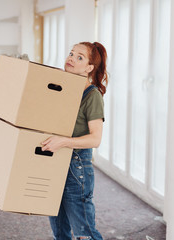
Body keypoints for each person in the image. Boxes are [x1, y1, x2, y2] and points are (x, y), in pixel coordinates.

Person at [41, 41, 108, 240]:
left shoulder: (92, 95)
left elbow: (95, 139)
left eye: (79, 57)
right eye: (71, 53)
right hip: (55, 161)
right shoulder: (62, 89)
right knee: (59, 230)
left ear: (89, 68)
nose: (71, 58)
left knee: (85, 232)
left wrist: (62, 142)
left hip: (76, 167)